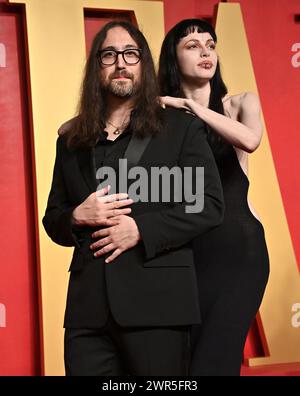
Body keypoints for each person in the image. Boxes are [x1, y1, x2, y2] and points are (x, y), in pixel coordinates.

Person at [43, 20, 224, 376]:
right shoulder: (71, 140)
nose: (121, 63)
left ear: (143, 65)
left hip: (159, 304)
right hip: (87, 313)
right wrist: (76, 217)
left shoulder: (180, 128)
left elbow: (209, 203)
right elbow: (53, 220)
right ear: (96, 67)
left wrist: (141, 229)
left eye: (130, 54)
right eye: (109, 55)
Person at [158, 19, 270, 376]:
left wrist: (194, 109)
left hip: (239, 253)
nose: (206, 51)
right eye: (192, 46)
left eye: (210, 44)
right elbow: (68, 129)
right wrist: (143, 106)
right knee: (182, 366)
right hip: (184, 254)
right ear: (173, 58)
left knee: (214, 362)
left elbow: (250, 140)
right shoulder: (161, 114)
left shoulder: (239, 103)